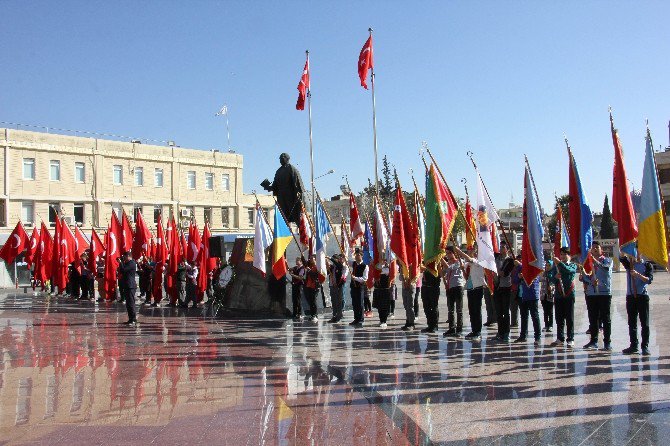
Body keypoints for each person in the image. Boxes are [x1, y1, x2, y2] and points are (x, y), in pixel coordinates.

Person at [580, 241, 613, 351]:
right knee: (593, 318)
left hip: (604, 293)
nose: (594, 249)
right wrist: (587, 279)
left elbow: (606, 269)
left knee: (605, 318)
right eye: (593, 248)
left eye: (597, 247)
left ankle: (607, 342)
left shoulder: (607, 260)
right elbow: (586, 278)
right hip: (592, 293)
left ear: (601, 249)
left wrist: (595, 261)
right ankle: (593, 340)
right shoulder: (589, 262)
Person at [620, 253, 654, 355]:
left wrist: (638, 275)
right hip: (630, 297)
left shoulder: (647, 265)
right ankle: (633, 345)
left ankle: (645, 346)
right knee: (632, 323)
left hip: (642, 297)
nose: (636, 254)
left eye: (638, 252)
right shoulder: (629, 264)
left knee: (645, 323)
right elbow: (621, 256)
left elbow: (649, 280)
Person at [455, 246, 486, 341]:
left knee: (477, 310)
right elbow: (466, 276)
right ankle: (473, 330)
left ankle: (478, 332)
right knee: (471, 310)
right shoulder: (468, 263)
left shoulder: (478, 261)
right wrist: (463, 269)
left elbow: (469, 258)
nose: (469, 251)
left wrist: (458, 251)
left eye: (471, 249)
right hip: (470, 288)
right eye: (468, 250)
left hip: (477, 287)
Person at [551, 247, 578, 348]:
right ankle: (560, 338)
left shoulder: (573, 265)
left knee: (569, 318)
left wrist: (559, 263)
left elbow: (568, 271)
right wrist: (555, 277)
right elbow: (552, 278)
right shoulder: (556, 266)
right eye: (561, 254)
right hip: (558, 295)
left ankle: (570, 338)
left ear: (569, 255)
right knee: (559, 318)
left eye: (564, 254)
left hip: (569, 295)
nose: (562, 256)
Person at [494, 242, 515, 342]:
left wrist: (497, 272)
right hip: (497, 287)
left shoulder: (510, 261)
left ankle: (506, 333)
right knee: (499, 312)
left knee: (506, 312)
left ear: (507, 249)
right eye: (500, 247)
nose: (501, 249)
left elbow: (504, 273)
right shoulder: (496, 258)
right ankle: (500, 332)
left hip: (506, 287)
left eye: (503, 247)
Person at [442, 247, 465, 338]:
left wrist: (441, 259)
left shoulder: (459, 261)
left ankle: (459, 329)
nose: (447, 255)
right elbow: (444, 272)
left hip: (458, 287)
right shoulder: (448, 263)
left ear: (453, 253)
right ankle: (451, 328)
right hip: (450, 288)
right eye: (446, 253)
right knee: (450, 310)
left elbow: (449, 269)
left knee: (459, 309)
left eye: (448, 253)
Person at [514, 274, 542, 345]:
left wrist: (526, 276)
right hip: (522, 295)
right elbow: (515, 280)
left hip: (532, 294)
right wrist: (519, 277)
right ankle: (523, 335)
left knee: (534, 316)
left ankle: (537, 337)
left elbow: (535, 280)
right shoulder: (521, 267)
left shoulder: (534, 267)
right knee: (523, 316)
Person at [118, 251, 138, 324]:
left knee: (131, 303)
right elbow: (121, 270)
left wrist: (121, 262)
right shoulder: (127, 263)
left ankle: (133, 319)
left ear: (128, 256)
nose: (124, 258)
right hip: (127, 285)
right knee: (128, 303)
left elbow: (123, 270)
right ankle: (130, 319)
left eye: (125, 257)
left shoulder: (132, 263)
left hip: (130, 286)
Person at [350, 250, 369, 326]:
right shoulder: (354, 264)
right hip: (353, 286)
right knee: (354, 303)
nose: (356, 256)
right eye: (356, 255)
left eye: (358, 255)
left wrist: (355, 278)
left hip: (360, 287)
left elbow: (364, 278)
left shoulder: (365, 266)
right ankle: (356, 318)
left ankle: (361, 318)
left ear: (361, 256)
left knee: (360, 303)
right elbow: (346, 260)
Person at [421, 264, 441, 333]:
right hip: (425, 286)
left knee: (434, 306)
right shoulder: (426, 262)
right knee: (426, 307)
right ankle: (430, 325)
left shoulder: (437, 262)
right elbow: (421, 269)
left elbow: (440, 273)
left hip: (433, 287)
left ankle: (435, 326)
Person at [327, 255, 347, 323]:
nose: (333, 261)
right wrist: (327, 267)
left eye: (335, 259)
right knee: (333, 301)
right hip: (332, 285)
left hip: (338, 286)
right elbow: (327, 273)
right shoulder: (332, 267)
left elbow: (338, 265)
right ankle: (334, 315)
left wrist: (330, 258)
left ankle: (339, 315)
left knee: (339, 301)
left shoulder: (340, 266)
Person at [374, 260, 393, 328]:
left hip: (385, 290)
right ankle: (381, 319)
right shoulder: (379, 266)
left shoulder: (388, 268)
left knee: (384, 307)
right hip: (378, 289)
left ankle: (384, 321)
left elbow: (381, 271)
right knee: (379, 306)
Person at [540, 259, 555, 333]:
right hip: (543, 295)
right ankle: (546, 325)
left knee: (550, 311)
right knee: (545, 311)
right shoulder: (544, 273)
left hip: (550, 295)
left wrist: (552, 287)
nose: (547, 267)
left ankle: (551, 325)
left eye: (549, 265)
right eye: (546, 265)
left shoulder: (553, 274)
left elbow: (554, 283)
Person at [304, 256, 320, 322]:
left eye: (312, 259)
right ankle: (312, 314)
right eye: (310, 259)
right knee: (310, 301)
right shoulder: (310, 266)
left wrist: (309, 271)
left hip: (314, 286)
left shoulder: (317, 267)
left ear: (315, 259)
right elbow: (304, 262)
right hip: (309, 285)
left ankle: (315, 315)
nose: (310, 260)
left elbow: (315, 276)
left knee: (313, 301)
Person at [289, 257, 306, 321]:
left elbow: (300, 277)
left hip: (299, 285)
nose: (296, 262)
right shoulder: (296, 268)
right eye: (296, 260)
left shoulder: (302, 268)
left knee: (298, 299)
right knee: (294, 299)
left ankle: (299, 313)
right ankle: (294, 313)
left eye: (297, 260)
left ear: (301, 262)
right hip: (294, 285)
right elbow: (291, 269)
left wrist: (292, 275)